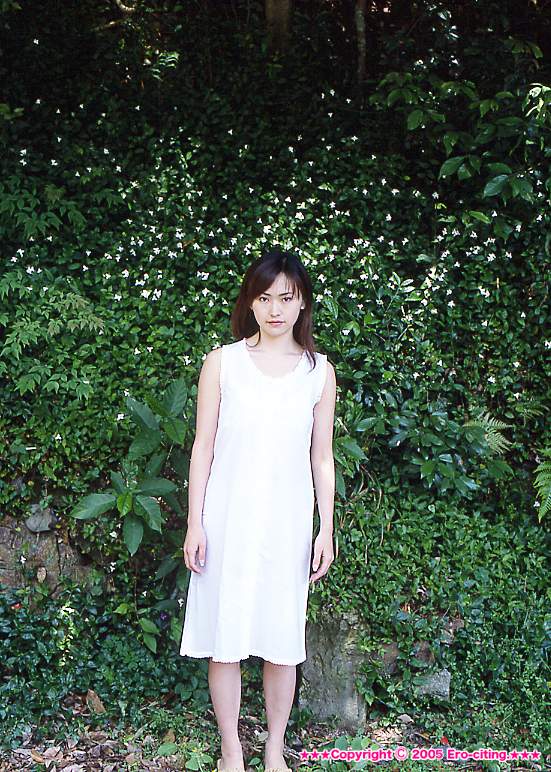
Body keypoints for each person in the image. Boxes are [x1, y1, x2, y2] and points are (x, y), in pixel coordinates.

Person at [180, 247, 336, 772]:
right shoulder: (222, 363)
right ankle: (231, 751)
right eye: (265, 298)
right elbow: (203, 447)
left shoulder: (318, 372)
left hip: (287, 524)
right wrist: (195, 522)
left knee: (281, 641)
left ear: (302, 303)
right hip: (226, 520)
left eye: (286, 298)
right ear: (250, 302)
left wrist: (325, 529)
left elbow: (321, 457)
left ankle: (274, 748)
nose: (275, 309)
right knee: (224, 640)